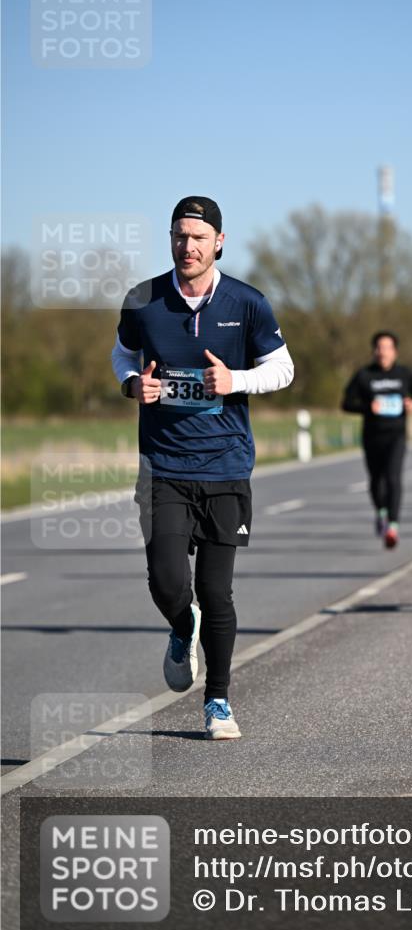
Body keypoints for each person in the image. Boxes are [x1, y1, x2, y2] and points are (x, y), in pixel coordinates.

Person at [111, 196, 294, 739]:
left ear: (218, 242)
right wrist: (130, 383)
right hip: (163, 465)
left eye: (197, 236)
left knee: (216, 592)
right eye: (178, 235)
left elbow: (282, 369)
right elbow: (121, 353)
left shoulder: (248, 302)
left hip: (225, 466)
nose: (186, 246)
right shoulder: (143, 299)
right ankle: (179, 623)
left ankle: (217, 702)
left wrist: (234, 381)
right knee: (169, 582)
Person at [342, 332, 412, 548]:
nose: (383, 352)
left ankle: (393, 527)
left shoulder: (404, 374)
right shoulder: (364, 375)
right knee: (376, 481)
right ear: (374, 351)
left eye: (387, 347)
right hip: (372, 435)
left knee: (393, 478)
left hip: (396, 435)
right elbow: (346, 403)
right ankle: (381, 512)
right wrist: (367, 407)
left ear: (394, 351)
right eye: (379, 347)